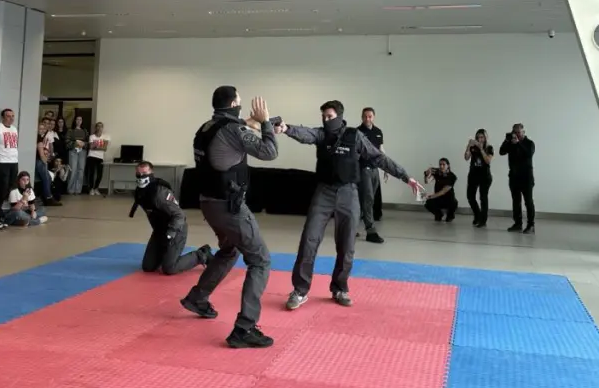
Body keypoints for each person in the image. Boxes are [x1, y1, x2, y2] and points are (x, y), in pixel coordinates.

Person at [279, 101, 422, 311]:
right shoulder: (321, 135)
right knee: (309, 239)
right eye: (323, 116)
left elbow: (379, 158)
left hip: (349, 193)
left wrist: (405, 177)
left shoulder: (355, 137)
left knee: (347, 245)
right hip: (324, 193)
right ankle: (300, 290)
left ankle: (339, 288)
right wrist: (286, 128)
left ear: (339, 116)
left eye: (329, 116)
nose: (325, 120)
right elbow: (306, 133)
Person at [180, 87, 277, 349]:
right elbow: (269, 152)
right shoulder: (233, 130)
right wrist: (266, 124)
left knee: (229, 250)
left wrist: (258, 123)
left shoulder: (207, 127)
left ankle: (197, 298)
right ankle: (244, 329)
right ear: (234, 104)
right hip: (229, 207)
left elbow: (233, 130)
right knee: (260, 260)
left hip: (208, 204)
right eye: (240, 102)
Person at [132, 160, 213, 274]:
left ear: (151, 173)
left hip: (176, 230)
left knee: (169, 268)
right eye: (138, 173)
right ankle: (166, 255)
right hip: (160, 231)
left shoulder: (160, 193)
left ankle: (202, 254)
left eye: (144, 173)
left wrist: (171, 233)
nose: (141, 176)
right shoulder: (140, 193)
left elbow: (179, 215)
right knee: (148, 267)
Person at [357, 106, 387, 243]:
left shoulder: (378, 132)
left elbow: (381, 150)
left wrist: (386, 168)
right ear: (362, 117)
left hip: (375, 170)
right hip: (363, 169)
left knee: (366, 200)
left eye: (370, 116)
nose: (367, 119)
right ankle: (370, 231)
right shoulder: (358, 132)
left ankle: (351, 227)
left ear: (373, 117)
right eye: (365, 116)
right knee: (368, 198)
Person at [500, 123, 536, 233]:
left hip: (526, 177)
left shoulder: (529, 143)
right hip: (514, 176)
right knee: (516, 201)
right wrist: (507, 140)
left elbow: (528, 154)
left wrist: (518, 143)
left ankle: (531, 225)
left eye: (519, 132)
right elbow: (502, 152)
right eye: (514, 132)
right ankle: (518, 223)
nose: (516, 134)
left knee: (528, 201)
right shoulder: (511, 142)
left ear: (523, 132)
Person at [464, 129, 494, 227]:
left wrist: (481, 149)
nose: (479, 139)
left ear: (485, 138)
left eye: (482, 137)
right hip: (473, 175)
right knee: (470, 196)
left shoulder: (489, 148)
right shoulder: (473, 147)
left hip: (485, 176)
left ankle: (483, 220)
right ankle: (477, 215)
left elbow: (488, 161)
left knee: (483, 197)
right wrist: (469, 146)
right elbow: (466, 157)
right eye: (478, 137)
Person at [424, 158, 459, 222]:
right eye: (440, 164)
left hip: (449, 199)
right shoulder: (437, 172)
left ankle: (450, 215)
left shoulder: (452, 176)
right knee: (428, 203)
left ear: (448, 165)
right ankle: (439, 214)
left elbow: (443, 191)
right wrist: (426, 175)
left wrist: (430, 196)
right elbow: (427, 181)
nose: (441, 166)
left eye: (443, 164)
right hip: (438, 198)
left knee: (454, 203)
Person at [35, 122, 61, 207]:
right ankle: (48, 197)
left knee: (48, 178)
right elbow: (41, 154)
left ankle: (45, 197)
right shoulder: (39, 139)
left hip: (40, 161)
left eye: (43, 129)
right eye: (40, 128)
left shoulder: (41, 138)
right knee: (46, 178)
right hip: (40, 161)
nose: (42, 130)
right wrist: (45, 161)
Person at [86, 121, 110, 196]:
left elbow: (105, 148)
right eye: (98, 126)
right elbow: (90, 147)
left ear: (102, 128)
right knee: (92, 173)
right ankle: (91, 189)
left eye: (101, 126)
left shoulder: (105, 137)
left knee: (100, 174)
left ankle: (96, 188)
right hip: (91, 156)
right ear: (96, 127)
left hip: (100, 157)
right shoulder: (91, 136)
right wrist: (100, 145)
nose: (99, 128)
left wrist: (95, 145)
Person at [67, 115, 88, 194]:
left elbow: (88, 142)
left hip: (82, 151)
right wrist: (75, 143)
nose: (79, 121)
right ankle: (70, 189)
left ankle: (78, 189)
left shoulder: (85, 131)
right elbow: (67, 141)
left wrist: (84, 144)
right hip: (73, 151)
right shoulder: (70, 130)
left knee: (81, 170)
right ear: (75, 121)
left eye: (80, 119)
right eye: (77, 119)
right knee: (73, 169)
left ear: (82, 121)